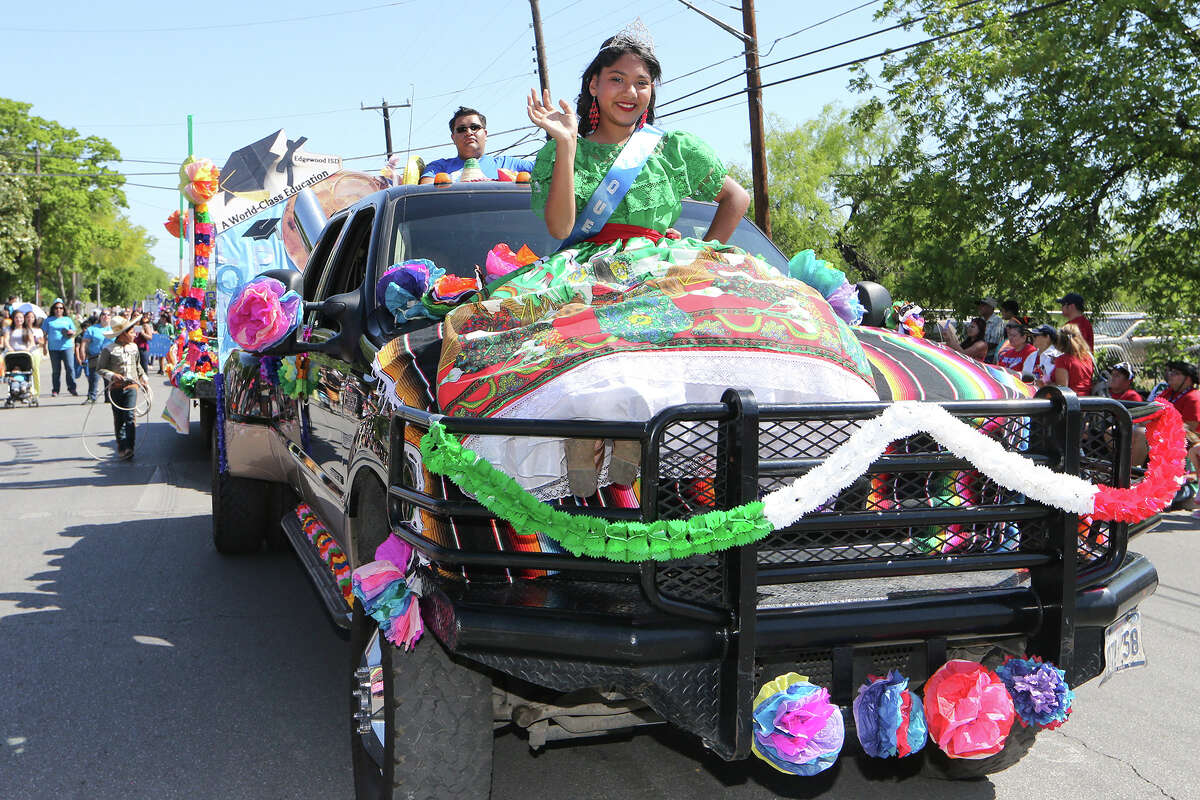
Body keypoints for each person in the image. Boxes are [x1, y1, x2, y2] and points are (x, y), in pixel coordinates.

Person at [418, 107, 536, 184]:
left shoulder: (509, 165)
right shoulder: (438, 168)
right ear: (453, 138)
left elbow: (550, 172)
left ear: (485, 134)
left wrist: (554, 131)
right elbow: (425, 193)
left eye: (474, 127)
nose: (469, 132)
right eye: (462, 129)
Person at [96, 315, 148, 461]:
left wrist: (143, 378)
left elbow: (138, 366)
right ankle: (121, 446)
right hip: (116, 388)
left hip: (132, 386)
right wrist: (112, 376)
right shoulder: (109, 349)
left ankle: (130, 448)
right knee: (119, 417)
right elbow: (100, 369)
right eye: (131, 332)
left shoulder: (134, 347)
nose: (134, 335)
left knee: (130, 416)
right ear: (123, 334)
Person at [1, 310, 46, 395]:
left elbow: (32, 342)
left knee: (27, 370)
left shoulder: (27, 330)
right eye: (17, 317)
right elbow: (6, 340)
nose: (19, 319)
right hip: (12, 354)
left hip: (24, 354)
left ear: (23, 319)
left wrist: (27, 349)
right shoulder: (9, 329)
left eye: (21, 317)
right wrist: (10, 348)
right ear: (13, 319)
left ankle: (30, 390)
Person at [76, 309, 113, 403]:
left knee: (109, 379)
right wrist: (82, 353)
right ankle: (92, 397)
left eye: (108, 315)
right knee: (93, 378)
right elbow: (84, 342)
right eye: (103, 314)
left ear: (110, 317)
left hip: (110, 356)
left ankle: (109, 398)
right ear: (100, 317)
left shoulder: (114, 329)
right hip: (95, 356)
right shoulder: (92, 329)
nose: (106, 317)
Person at [43, 299, 78, 397]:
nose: (58, 310)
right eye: (56, 308)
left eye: (60, 308)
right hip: (53, 348)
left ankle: (72, 388)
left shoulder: (68, 319)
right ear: (53, 309)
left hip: (66, 347)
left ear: (63, 309)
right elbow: (44, 335)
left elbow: (74, 331)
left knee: (70, 368)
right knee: (56, 370)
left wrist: (71, 332)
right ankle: (55, 390)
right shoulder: (48, 320)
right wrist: (44, 347)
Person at [1052, 322, 1094, 396]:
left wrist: (1046, 385)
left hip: (1072, 403)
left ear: (1061, 341)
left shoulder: (1062, 360)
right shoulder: (1088, 358)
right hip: (1089, 401)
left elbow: (1063, 390)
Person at [976, 297, 1004, 362]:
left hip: (990, 357)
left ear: (991, 307)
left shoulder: (997, 321)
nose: (979, 307)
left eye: (983, 305)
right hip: (977, 355)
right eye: (979, 305)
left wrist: (975, 348)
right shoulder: (979, 320)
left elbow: (994, 343)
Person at [155, 310, 176, 374]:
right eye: (161, 318)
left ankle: (170, 368)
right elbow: (158, 332)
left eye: (163, 318)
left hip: (168, 343)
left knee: (168, 357)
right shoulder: (160, 326)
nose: (162, 319)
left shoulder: (170, 326)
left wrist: (169, 337)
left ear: (166, 319)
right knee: (161, 356)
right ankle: (161, 369)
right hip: (161, 343)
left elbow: (173, 334)